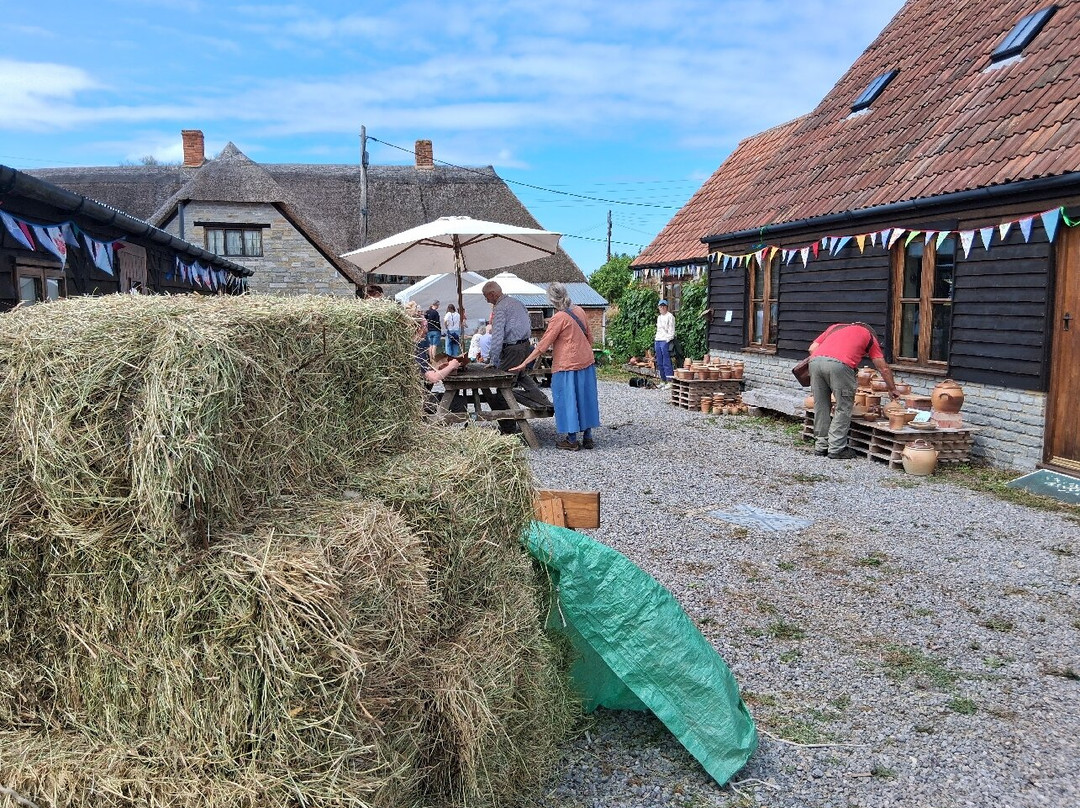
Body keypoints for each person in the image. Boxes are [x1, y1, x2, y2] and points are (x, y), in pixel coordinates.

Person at [510, 282, 601, 451]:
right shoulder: (580, 311)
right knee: (585, 398)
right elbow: (590, 337)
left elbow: (542, 345)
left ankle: (572, 440)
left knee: (567, 400)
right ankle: (588, 437)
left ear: (551, 300)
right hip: (586, 362)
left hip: (567, 365)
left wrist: (523, 363)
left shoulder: (558, 318)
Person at [808, 322, 899, 459]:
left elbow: (812, 348)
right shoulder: (868, 336)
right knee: (843, 406)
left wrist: (825, 362)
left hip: (815, 362)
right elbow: (883, 368)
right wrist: (892, 389)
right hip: (840, 366)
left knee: (821, 405)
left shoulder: (835, 327)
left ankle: (821, 446)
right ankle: (836, 449)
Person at [483, 280, 551, 413]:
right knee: (521, 375)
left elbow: (497, 335)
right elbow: (528, 324)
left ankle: (508, 424)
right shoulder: (517, 302)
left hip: (512, 349)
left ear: (493, 294)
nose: (486, 300)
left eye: (486, 296)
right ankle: (543, 401)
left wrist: (493, 360)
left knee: (503, 384)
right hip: (525, 345)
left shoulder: (500, 308)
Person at [654, 299, 675, 384]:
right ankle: (663, 380)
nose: (662, 308)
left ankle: (669, 380)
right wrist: (656, 339)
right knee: (659, 361)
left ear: (667, 307)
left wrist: (667, 340)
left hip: (665, 340)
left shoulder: (670, 316)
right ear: (659, 307)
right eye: (660, 306)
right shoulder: (659, 317)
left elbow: (671, 330)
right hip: (658, 340)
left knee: (666, 361)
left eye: (664, 306)